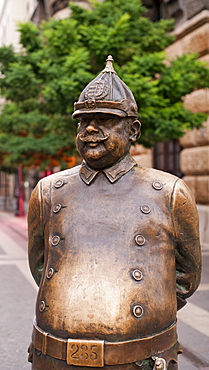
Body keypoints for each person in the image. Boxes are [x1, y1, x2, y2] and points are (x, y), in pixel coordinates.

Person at [27, 56, 201, 370]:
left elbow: (186, 276)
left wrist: (148, 310)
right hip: (52, 355)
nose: (90, 129)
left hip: (141, 356)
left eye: (104, 120)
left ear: (133, 129)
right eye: (83, 121)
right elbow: (41, 266)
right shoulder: (48, 190)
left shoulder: (169, 192)